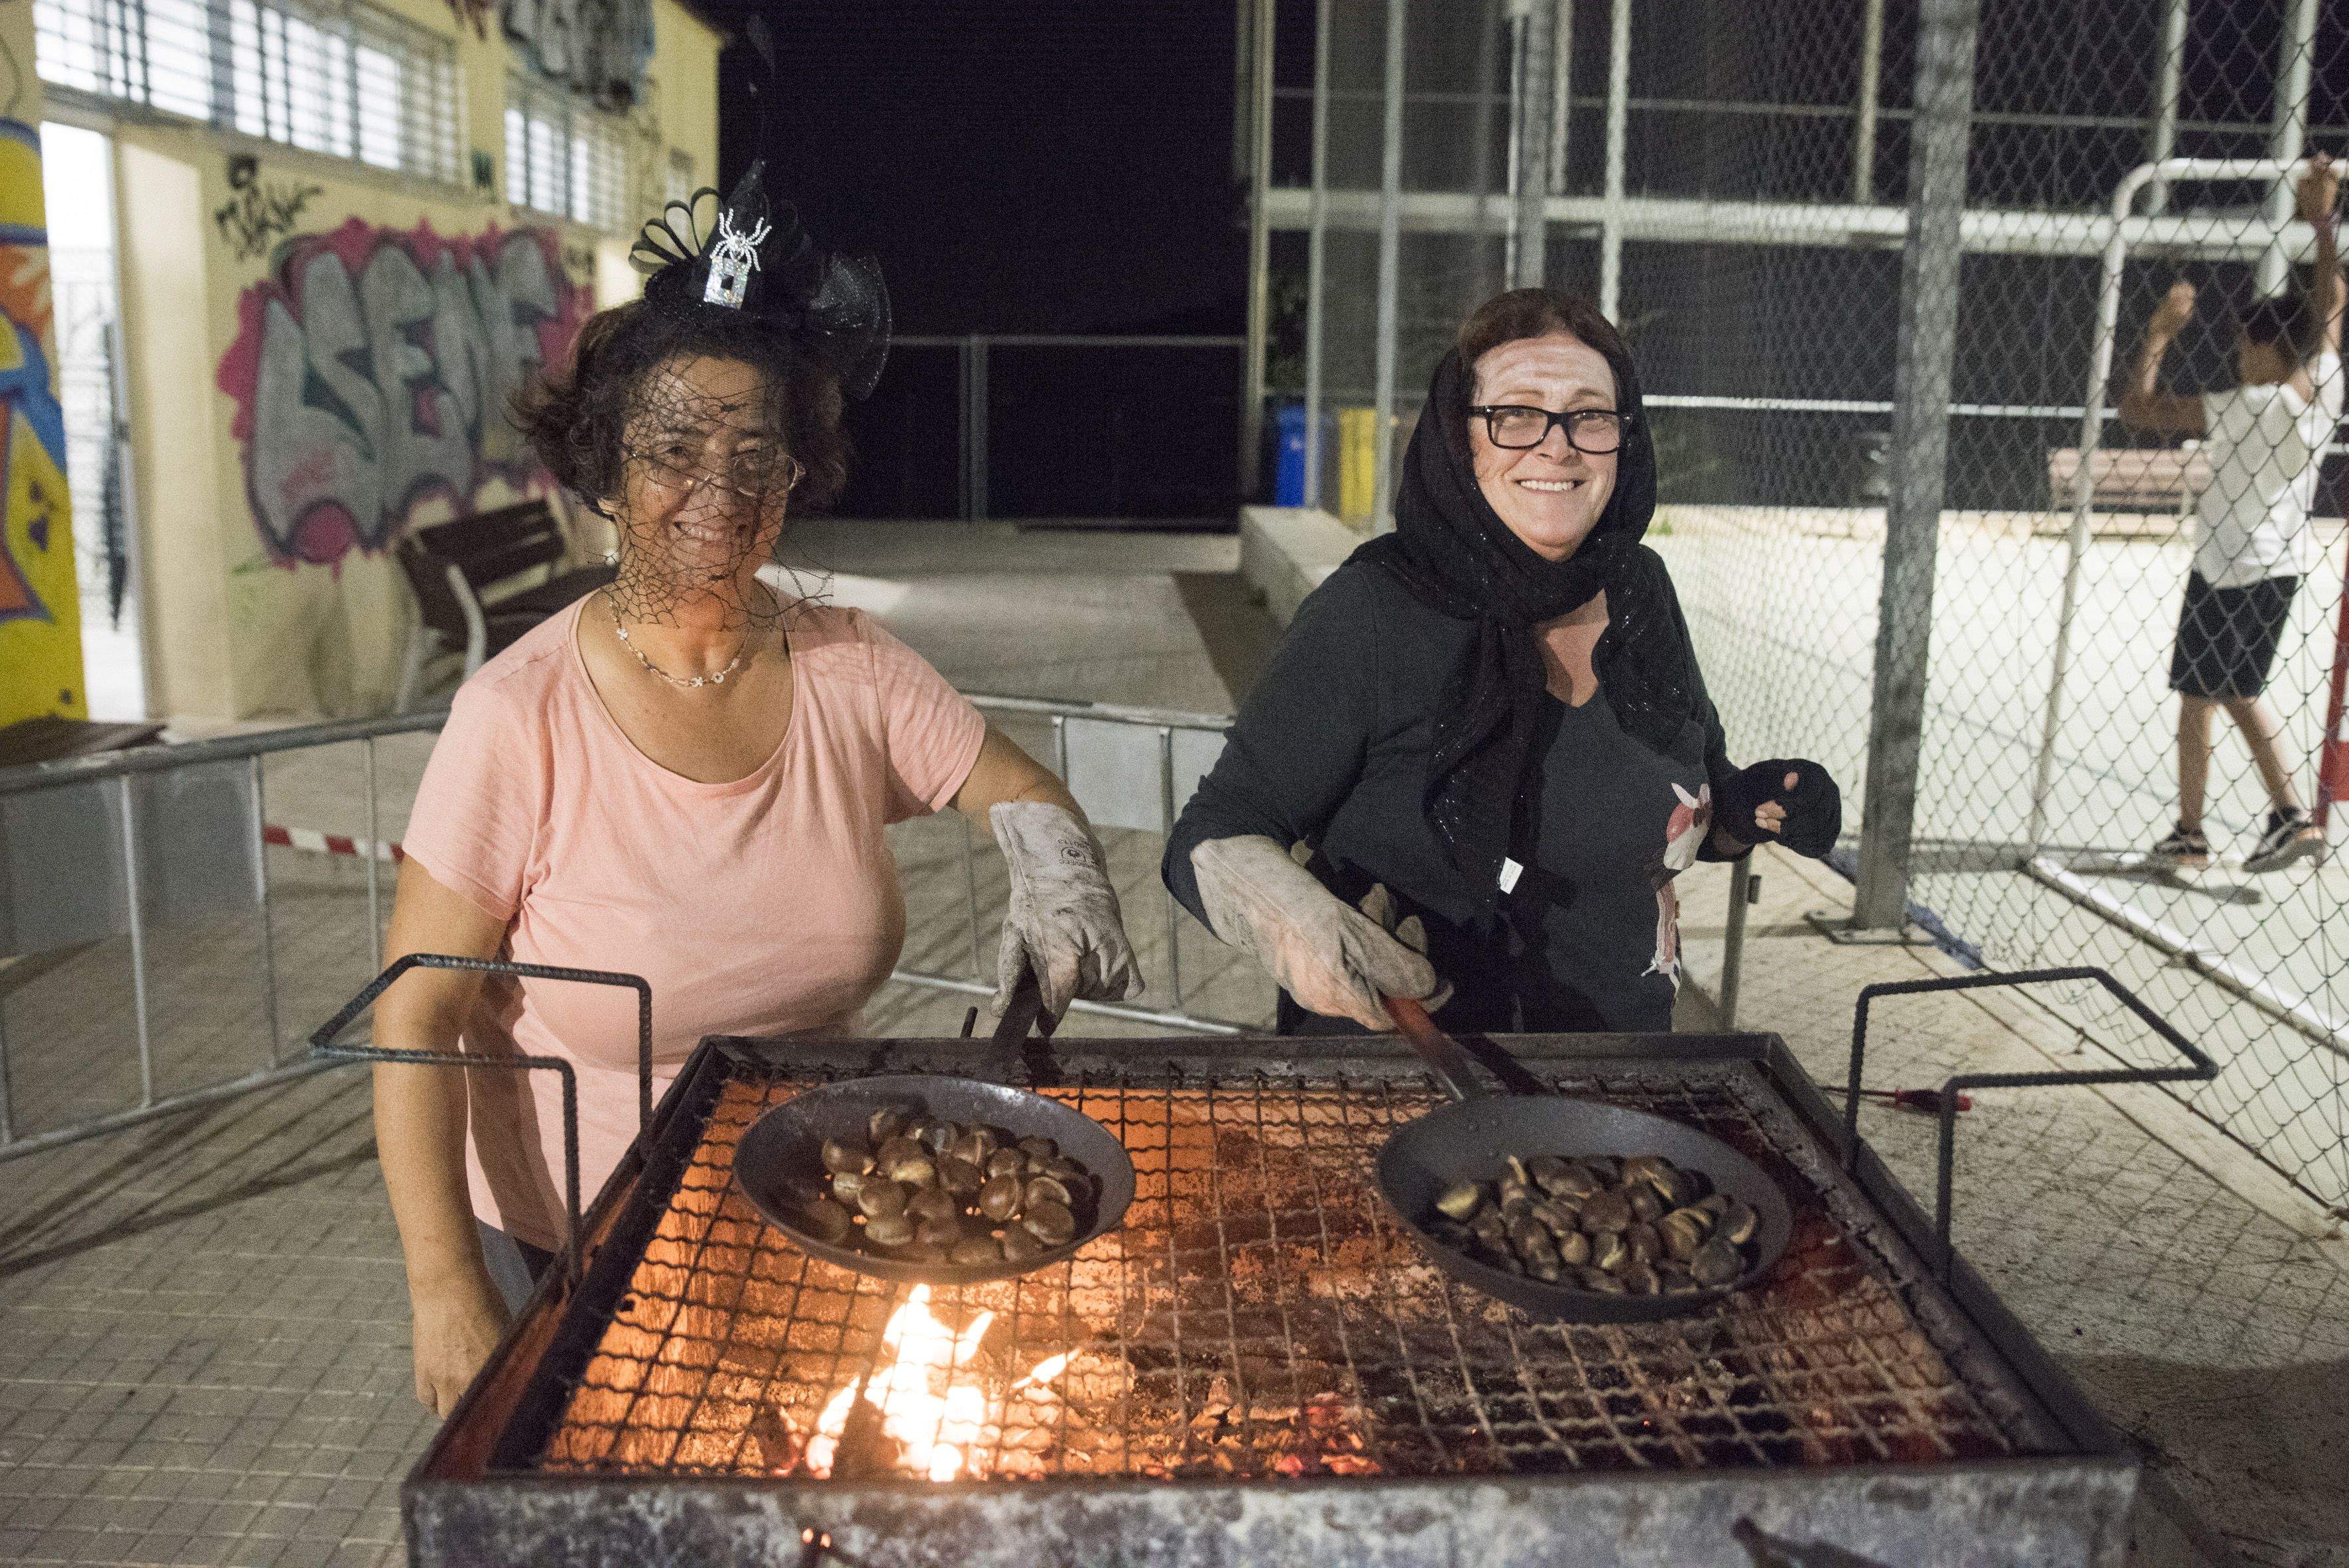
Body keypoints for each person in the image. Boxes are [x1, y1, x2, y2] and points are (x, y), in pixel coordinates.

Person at [373, 166, 1142, 1416]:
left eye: (755, 455)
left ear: (796, 478)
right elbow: (416, 1020)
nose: (716, 492)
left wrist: (1053, 866)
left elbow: (1014, 785)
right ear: (607, 472)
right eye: (673, 452)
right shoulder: (517, 716)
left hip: (808, 1200)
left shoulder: (847, 662)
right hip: (578, 1235)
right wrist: (442, 1285)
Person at [1162, 287, 1841, 1036]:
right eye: (1516, 414)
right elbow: (1215, 828)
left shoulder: (1640, 588)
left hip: (1619, 1074)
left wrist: (1746, 810)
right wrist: (1288, 918)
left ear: (1625, 435)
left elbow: (1683, 801)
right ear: (1464, 439)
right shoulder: (1375, 611)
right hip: (1410, 1073)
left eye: (1590, 414)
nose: (1559, 445)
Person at [2120, 154, 2343, 874]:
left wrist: (2159, 333)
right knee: (2200, 692)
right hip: (2276, 568)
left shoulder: (2248, 406)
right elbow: (2333, 310)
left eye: (2245, 343)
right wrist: (2323, 223)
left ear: (2265, 350)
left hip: (2225, 568)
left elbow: (2139, 409)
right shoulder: (2325, 394)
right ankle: (2190, 831)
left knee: (2231, 690)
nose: (2236, 352)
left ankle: (2289, 813)